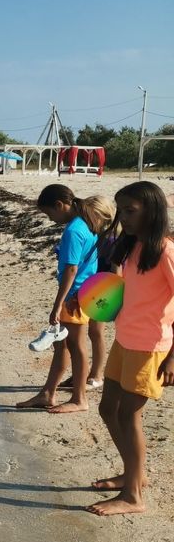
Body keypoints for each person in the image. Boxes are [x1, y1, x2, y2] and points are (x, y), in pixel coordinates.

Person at [88, 182, 174, 516]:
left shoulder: (165, 251)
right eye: (121, 210)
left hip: (150, 347)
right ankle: (133, 474)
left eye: (130, 211)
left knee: (128, 414)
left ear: (152, 211)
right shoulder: (133, 245)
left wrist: (172, 358)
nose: (123, 217)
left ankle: (133, 496)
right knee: (107, 408)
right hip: (125, 340)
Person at [16, 185, 101, 414]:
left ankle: (80, 399)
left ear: (59, 205)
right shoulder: (86, 222)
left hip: (75, 295)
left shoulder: (74, 230)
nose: (50, 219)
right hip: (83, 291)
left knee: (75, 345)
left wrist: (57, 304)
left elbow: (72, 270)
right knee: (61, 344)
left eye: (48, 213)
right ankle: (47, 393)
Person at [59, 196, 117, 392]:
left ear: (103, 216)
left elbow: (116, 270)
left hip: (104, 288)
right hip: (88, 286)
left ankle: (97, 374)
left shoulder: (112, 240)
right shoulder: (90, 232)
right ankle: (80, 373)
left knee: (96, 331)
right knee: (81, 333)